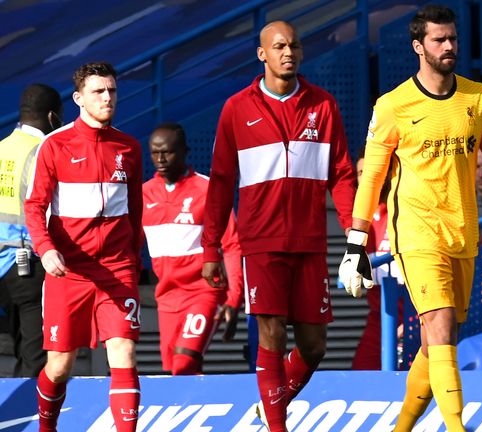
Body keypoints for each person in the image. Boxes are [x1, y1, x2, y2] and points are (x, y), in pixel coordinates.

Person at [338, 5, 482, 431]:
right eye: (438, 40)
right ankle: (455, 427)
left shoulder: (478, 96)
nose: (449, 47)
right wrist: (356, 243)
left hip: (463, 230)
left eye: (452, 38)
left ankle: (401, 428)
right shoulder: (392, 105)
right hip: (416, 232)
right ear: (418, 47)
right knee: (440, 325)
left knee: (439, 340)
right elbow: (371, 175)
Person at [201, 21, 356, 432]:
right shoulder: (237, 108)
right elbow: (220, 182)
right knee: (270, 336)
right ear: (262, 54)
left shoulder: (323, 105)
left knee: (315, 347)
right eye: (280, 46)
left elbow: (341, 173)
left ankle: (273, 404)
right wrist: (210, 247)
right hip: (261, 243)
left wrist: (355, 236)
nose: (289, 52)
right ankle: (276, 426)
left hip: (310, 243)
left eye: (295, 46)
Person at [24, 62, 143, 432]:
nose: (107, 98)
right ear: (78, 98)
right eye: (98, 92)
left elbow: (135, 211)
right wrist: (45, 249)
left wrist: (135, 257)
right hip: (68, 270)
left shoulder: (130, 147)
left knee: (123, 351)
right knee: (60, 364)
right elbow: (34, 206)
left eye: (112, 91)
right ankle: (47, 428)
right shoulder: (54, 145)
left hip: (117, 268)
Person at [142, 123, 243, 375]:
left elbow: (232, 245)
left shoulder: (207, 190)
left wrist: (234, 298)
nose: (161, 159)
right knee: (177, 373)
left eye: (168, 152)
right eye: (155, 153)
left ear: (185, 151)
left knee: (184, 361)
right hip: (166, 298)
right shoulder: (143, 194)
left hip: (203, 292)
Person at [0, 84, 62, 377]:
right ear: (53, 117)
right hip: (28, 267)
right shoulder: (44, 152)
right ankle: (32, 419)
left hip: (2, 268)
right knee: (35, 357)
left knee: (17, 347)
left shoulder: (2, 148)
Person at [351, 148, 403, 370]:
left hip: (411, 317)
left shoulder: (402, 209)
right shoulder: (359, 223)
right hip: (379, 320)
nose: (366, 178)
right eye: (361, 172)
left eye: (372, 171)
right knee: (361, 374)